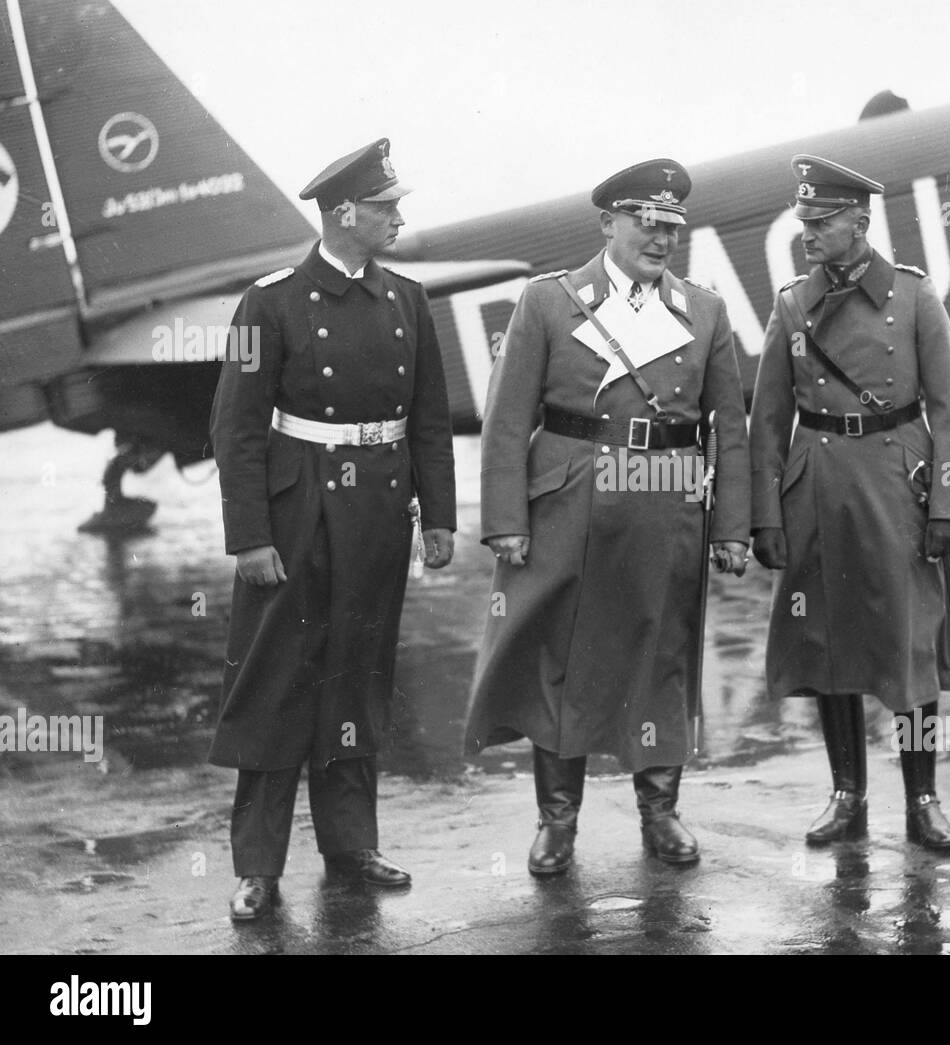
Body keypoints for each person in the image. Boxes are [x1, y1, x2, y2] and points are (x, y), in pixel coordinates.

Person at [464, 158, 750, 876]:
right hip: (570, 500)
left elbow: (730, 428)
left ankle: (660, 812)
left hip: (668, 499)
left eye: (671, 227)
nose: (659, 239)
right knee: (560, 658)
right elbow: (506, 420)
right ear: (608, 224)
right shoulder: (549, 302)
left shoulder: (705, 311)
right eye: (644, 223)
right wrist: (507, 516)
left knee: (664, 655)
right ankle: (558, 821)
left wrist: (734, 527)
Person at [208, 139, 457, 921]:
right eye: (386, 207)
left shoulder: (408, 300)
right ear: (343, 212)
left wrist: (440, 517)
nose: (398, 219)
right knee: (276, 681)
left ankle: (351, 845)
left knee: (357, 674)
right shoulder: (268, 302)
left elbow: (428, 417)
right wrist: (249, 533)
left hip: (379, 511)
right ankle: (257, 865)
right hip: (298, 509)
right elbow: (236, 426)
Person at [749, 154, 950, 852]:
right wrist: (764, 514)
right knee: (827, 644)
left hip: (896, 480)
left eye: (821, 222)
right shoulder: (792, 302)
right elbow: (766, 419)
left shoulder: (913, 297)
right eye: (805, 221)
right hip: (818, 486)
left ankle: (924, 797)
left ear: (860, 221)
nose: (808, 233)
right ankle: (847, 794)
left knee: (910, 644)